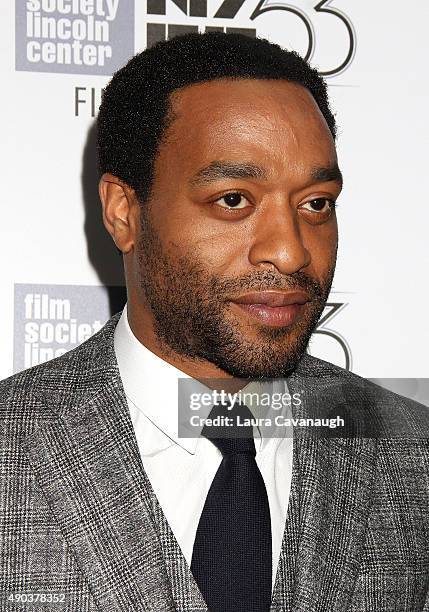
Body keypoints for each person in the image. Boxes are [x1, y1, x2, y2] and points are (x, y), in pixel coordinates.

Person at [1, 31, 428, 612]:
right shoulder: (13, 445)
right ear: (123, 213)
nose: (291, 252)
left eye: (316, 203)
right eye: (233, 199)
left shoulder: (410, 451)